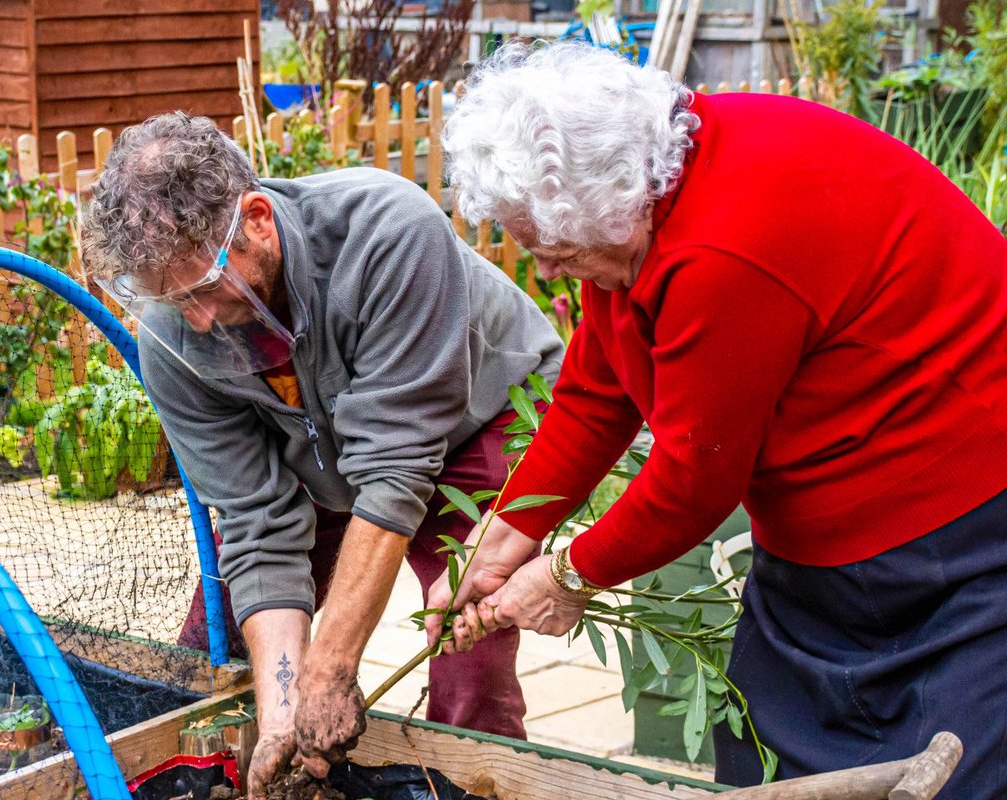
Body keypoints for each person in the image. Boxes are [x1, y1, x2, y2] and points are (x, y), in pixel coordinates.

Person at [425, 42, 1007, 798]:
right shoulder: (636, 208)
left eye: (557, 252)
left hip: (952, 521)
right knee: (764, 752)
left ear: (609, 206)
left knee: (952, 768)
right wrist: (495, 547)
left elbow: (694, 478)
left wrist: (569, 576)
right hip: (821, 541)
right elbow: (595, 397)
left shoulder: (719, 251)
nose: (549, 271)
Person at [80, 112, 564, 797]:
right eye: (171, 302)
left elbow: (395, 472)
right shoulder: (174, 338)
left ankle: (486, 783)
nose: (197, 321)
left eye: (203, 291)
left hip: (473, 421)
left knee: (467, 652)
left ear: (256, 219)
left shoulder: (388, 234)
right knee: (213, 631)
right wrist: (285, 708)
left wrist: (331, 666)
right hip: (328, 454)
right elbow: (256, 521)